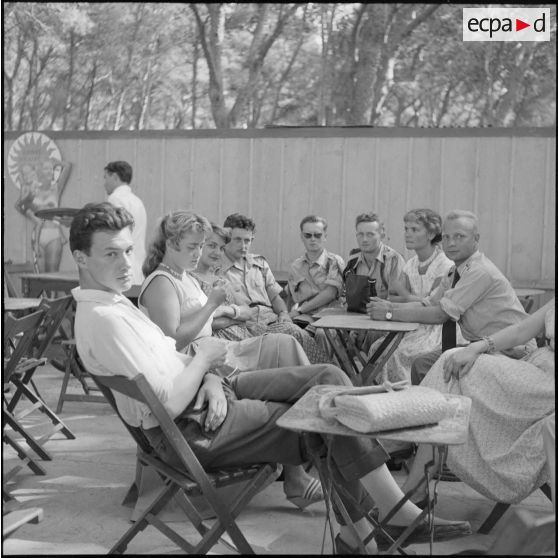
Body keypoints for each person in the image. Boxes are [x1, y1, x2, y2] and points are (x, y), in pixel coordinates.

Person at [70, 202, 471, 553]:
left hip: (206, 393)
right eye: (110, 254)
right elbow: (167, 402)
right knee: (321, 420)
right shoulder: (105, 319)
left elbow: (171, 361)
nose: (125, 264)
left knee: (327, 376)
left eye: (127, 250)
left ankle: (380, 519)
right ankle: (374, 527)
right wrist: (206, 359)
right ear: (81, 258)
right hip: (191, 430)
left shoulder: (114, 304)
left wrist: (209, 376)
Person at [140, 210, 326, 509]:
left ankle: (302, 461)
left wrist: (222, 310)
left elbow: (201, 322)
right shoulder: (162, 282)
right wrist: (213, 304)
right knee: (289, 353)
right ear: (170, 244)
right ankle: (305, 461)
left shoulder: (181, 277)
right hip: (198, 362)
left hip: (211, 353)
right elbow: (173, 339)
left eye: (202, 246)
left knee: (286, 343)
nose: (199, 253)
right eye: (192, 247)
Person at [402, 298, 554, 506]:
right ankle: (414, 489)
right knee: (454, 363)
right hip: (535, 368)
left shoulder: (480, 270)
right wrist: (479, 347)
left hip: (546, 386)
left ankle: (412, 491)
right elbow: (522, 330)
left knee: (453, 364)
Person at [366, 210, 536, 385]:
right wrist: (388, 307)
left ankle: (436, 407)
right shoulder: (454, 272)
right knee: (421, 364)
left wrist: (389, 314)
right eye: (446, 237)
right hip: (482, 345)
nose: (451, 243)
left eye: (459, 237)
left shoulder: (478, 271)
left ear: (476, 239)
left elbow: (441, 314)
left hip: (510, 350)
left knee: (423, 364)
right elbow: (427, 304)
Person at [218, 213, 331, 365]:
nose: (243, 245)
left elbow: (275, 297)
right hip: (244, 325)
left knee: (296, 333)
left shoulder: (259, 263)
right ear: (226, 238)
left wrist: (284, 313)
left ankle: (322, 375)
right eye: (238, 239)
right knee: (293, 335)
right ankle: (324, 376)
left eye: (248, 240)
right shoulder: (215, 269)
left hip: (271, 321)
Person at [367, 209, 465, 383]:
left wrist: (405, 297)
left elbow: (435, 306)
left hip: (437, 328)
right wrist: (408, 298)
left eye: (414, 229)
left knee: (396, 353)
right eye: (406, 229)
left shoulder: (445, 264)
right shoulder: (411, 264)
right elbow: (394, 296)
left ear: (431, 234)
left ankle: (407, 394)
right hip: (411, 322)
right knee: (378, 347)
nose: (407, 234)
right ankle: (384, 394)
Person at [190, 223, 266, 341]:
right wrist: (235, 318)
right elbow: (205, 322)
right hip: (222, 342)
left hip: (245, 336)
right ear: (198, 246)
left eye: (221, 248)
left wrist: (225, 311)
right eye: (212, 246)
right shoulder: (191, 279)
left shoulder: (219, 279)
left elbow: (248, 312)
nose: (217, 252)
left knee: (285, 341)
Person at [15, 159, 72, 272]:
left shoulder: (56, 188)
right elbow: (18, 206)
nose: (50, 171)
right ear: (40, 172)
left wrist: (56, 162)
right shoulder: (33, 190)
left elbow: (68, 166)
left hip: (53, 235)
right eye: (46, 169)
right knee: (41, 276)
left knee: (52, 274)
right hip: (38, 236)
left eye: (51, 169)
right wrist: (31, 217)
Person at [286, 215, 345, 322]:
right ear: (301, 237)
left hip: (330, 316)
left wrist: (299, 311)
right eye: (308, 235)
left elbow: (330, 293)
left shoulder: (334, 262)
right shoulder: (296, 266)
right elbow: (291, 299)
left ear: (325, 236)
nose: (313, 239)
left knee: (322, 333)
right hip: (304, 317)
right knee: (284, 330)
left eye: (317, 235)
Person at [343, 212, 405, 300]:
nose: (364, 239)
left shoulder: (393, 260)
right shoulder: (352, 260)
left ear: (382, 235)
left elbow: (397, 300)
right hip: (356, 312)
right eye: (360, 234)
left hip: (384, 313)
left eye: (370, 234)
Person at [104, 161, 147, 285]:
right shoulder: (137, 201)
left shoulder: (115, 199)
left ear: (115, 177)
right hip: (138, 265)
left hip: (122, 266)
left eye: (106, 177)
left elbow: (111, 233)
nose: (104, 183)